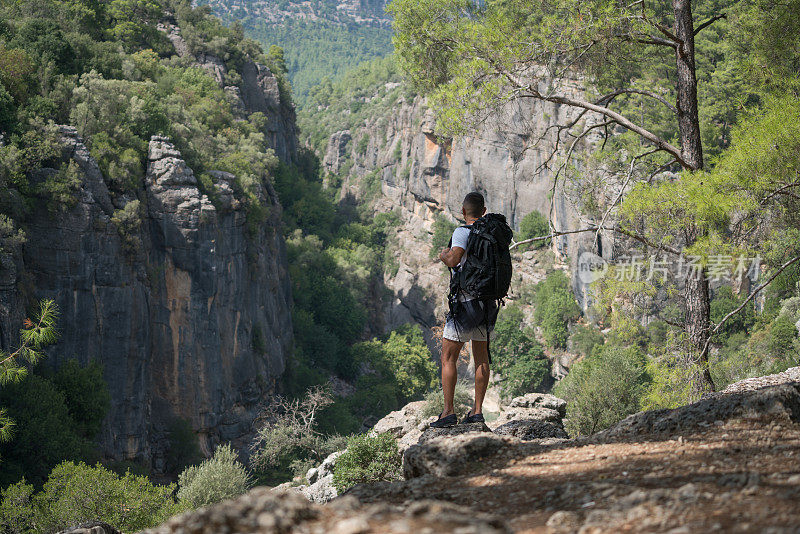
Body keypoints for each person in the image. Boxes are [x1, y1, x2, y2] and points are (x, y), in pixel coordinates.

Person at [431, 192, 500, 427]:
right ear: (484, 211)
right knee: (481, 357)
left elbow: (454, 260)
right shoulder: (491, 233)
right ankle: (477, 411)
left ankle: (448, 412)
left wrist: (443, 255)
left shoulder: (462, 232)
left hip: (465, 303)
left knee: (448, 356)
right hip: (488, 303)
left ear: (463, 212)